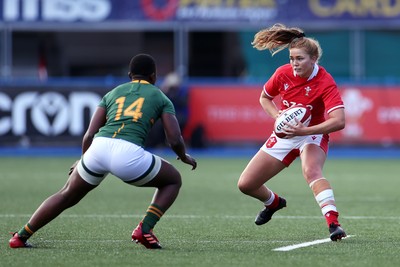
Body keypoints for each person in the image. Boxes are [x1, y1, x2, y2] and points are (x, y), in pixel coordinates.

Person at [9, 53, 197, 249]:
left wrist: (82, 159)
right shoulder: (160, 95)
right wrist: (183, 156)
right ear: (154, 76)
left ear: (129, 74)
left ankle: (20, 236)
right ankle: (145, 229)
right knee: (173, 180)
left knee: (66, 195)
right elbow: (174, 138)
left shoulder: (113, 93)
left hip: (97, 148)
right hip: (128, 154)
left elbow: (89, 134)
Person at [237, 24, 346, 241]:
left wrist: (305, 130)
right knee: (246, 184)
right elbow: (264, 98)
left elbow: (339, 121)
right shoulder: (282, 73)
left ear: (313, 59)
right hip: (286, 133)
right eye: (291, 58)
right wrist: (278, 117)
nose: (294, 63)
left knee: (311, 171)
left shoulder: (324, 81)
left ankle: (333, 223)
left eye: (300, 59)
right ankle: (273, 202)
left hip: (311, 132)